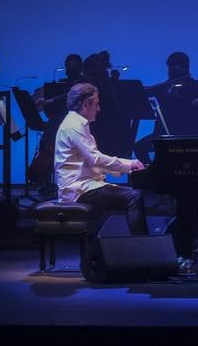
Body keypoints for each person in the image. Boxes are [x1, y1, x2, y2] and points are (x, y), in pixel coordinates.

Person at [54, 82, 147, 235]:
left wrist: (126, 168)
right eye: (96, 104)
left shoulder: (76, 123)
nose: (99, 108)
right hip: (78, 190)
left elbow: (92, 162)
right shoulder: (74, 126)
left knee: (128, 194)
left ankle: (98, 252)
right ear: (86, 104)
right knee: (134, 197)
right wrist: (128, 164)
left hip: (84, 186)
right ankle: (143, 247)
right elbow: (96, 159)